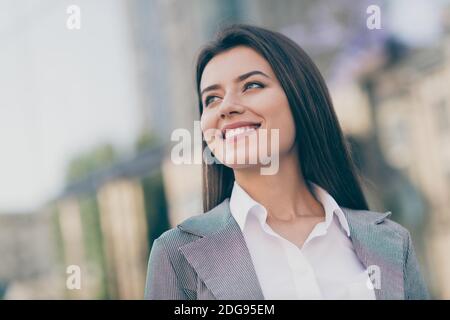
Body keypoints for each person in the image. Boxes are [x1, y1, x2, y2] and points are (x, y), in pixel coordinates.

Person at [144, 24, 430, 300]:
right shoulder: (176, 255)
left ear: (300, 99)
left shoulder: (391, 241)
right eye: (211, 99)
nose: (226, 107)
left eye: (251, 85)